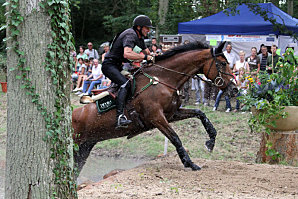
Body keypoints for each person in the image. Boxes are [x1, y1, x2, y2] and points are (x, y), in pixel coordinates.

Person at [102, 15, 154, 128]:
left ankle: (130, 110)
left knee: (134, 82)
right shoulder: (130, 34)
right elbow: (127, 53)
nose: (148, 30)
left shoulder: (139, 38)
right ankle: (119, 117)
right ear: (139, 27)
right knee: (125, 84)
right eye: (147, 28)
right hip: (109, 65)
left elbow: (148, 53)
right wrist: (145, 58)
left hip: (117, 66)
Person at [213, 43, 236, 112]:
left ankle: (227, 107)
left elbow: (234, 64)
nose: (229, 48)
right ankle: (216, 106)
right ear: (226, 48)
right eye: (228, 47)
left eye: (230, 47)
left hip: (230, 71)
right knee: (221, 92)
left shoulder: (233, 55)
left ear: (231, 48)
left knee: (225, 92)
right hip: (223, 73)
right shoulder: (223, 54)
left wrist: (231, 71)